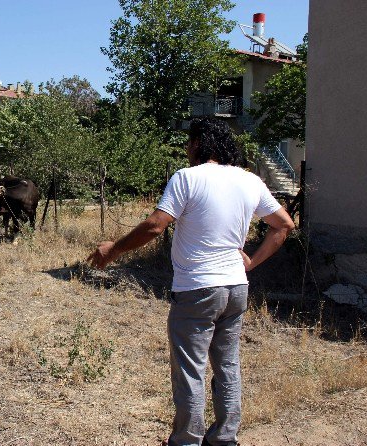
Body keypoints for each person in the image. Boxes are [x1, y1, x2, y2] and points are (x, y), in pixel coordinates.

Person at [87, 117, 295, 446]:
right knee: (227, 364)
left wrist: (113, 249)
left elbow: (156, 225)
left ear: (197, 144)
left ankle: (186, 441)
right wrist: (251, 264)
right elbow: (283, 225)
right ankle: (225, 438)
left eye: (188, 144)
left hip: (198, 288)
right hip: (236, 288)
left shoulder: (188, 178)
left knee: (191, 369)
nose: (186, 150)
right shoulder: (249, 180)